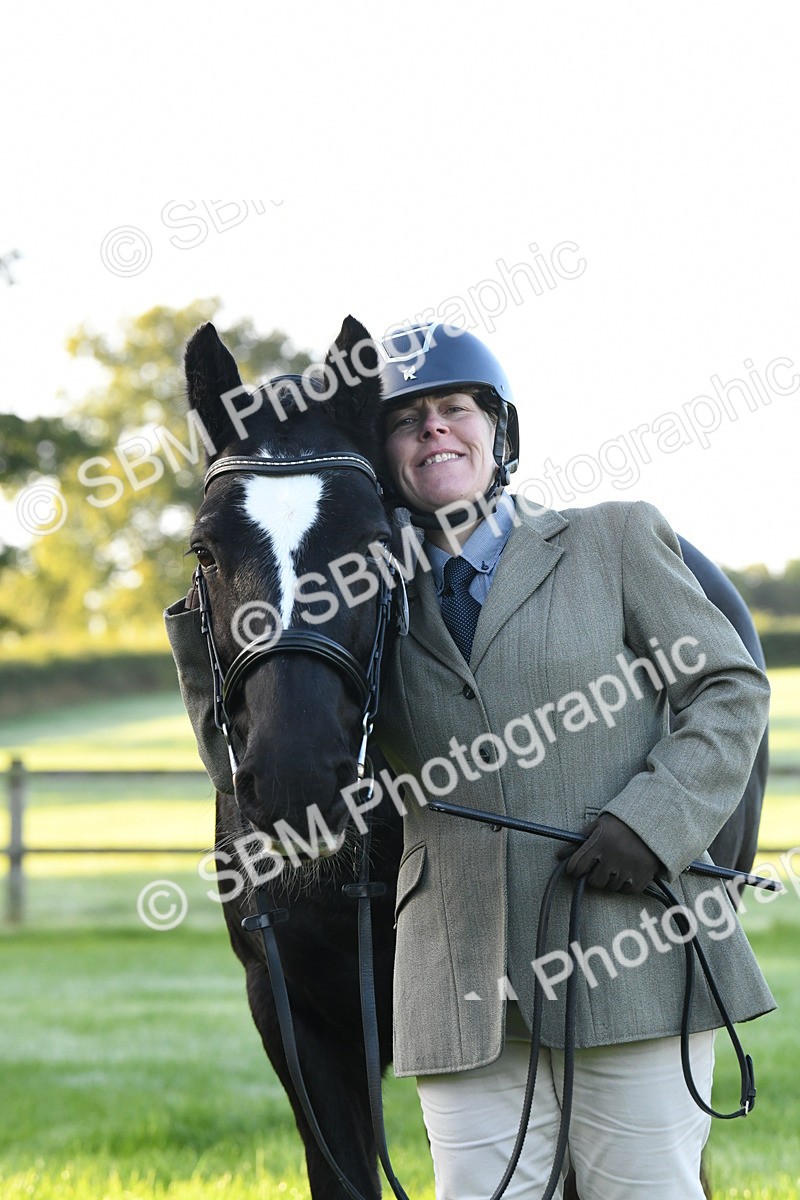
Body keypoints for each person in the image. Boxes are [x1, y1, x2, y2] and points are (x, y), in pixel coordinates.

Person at [371, 322, 775, 1200]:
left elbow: (729, 688)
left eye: (455, 409)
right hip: (460, 981)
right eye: (407, 419)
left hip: (633, 952)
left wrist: (653, 820)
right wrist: (205, 597)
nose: (434, 429)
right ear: (384, 456)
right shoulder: (360, 605)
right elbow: (247, 745)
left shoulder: (613, 538)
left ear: (498, 434)